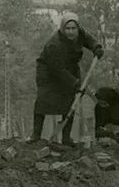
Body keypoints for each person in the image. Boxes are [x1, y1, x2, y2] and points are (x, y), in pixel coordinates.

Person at [29, 13, 103, 146]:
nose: (71, 31)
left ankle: (66, 138)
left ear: (77, 28)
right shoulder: (54, 44)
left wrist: (96, 47)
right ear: (62, 29)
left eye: (73, 28)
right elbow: (57, 70)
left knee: (71, 99)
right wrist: (74, 82)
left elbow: (88, 39)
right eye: (67, 29)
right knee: (43, 100)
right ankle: (36, 135)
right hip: (48, 72)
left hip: (69, 68)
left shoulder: (80, 33)